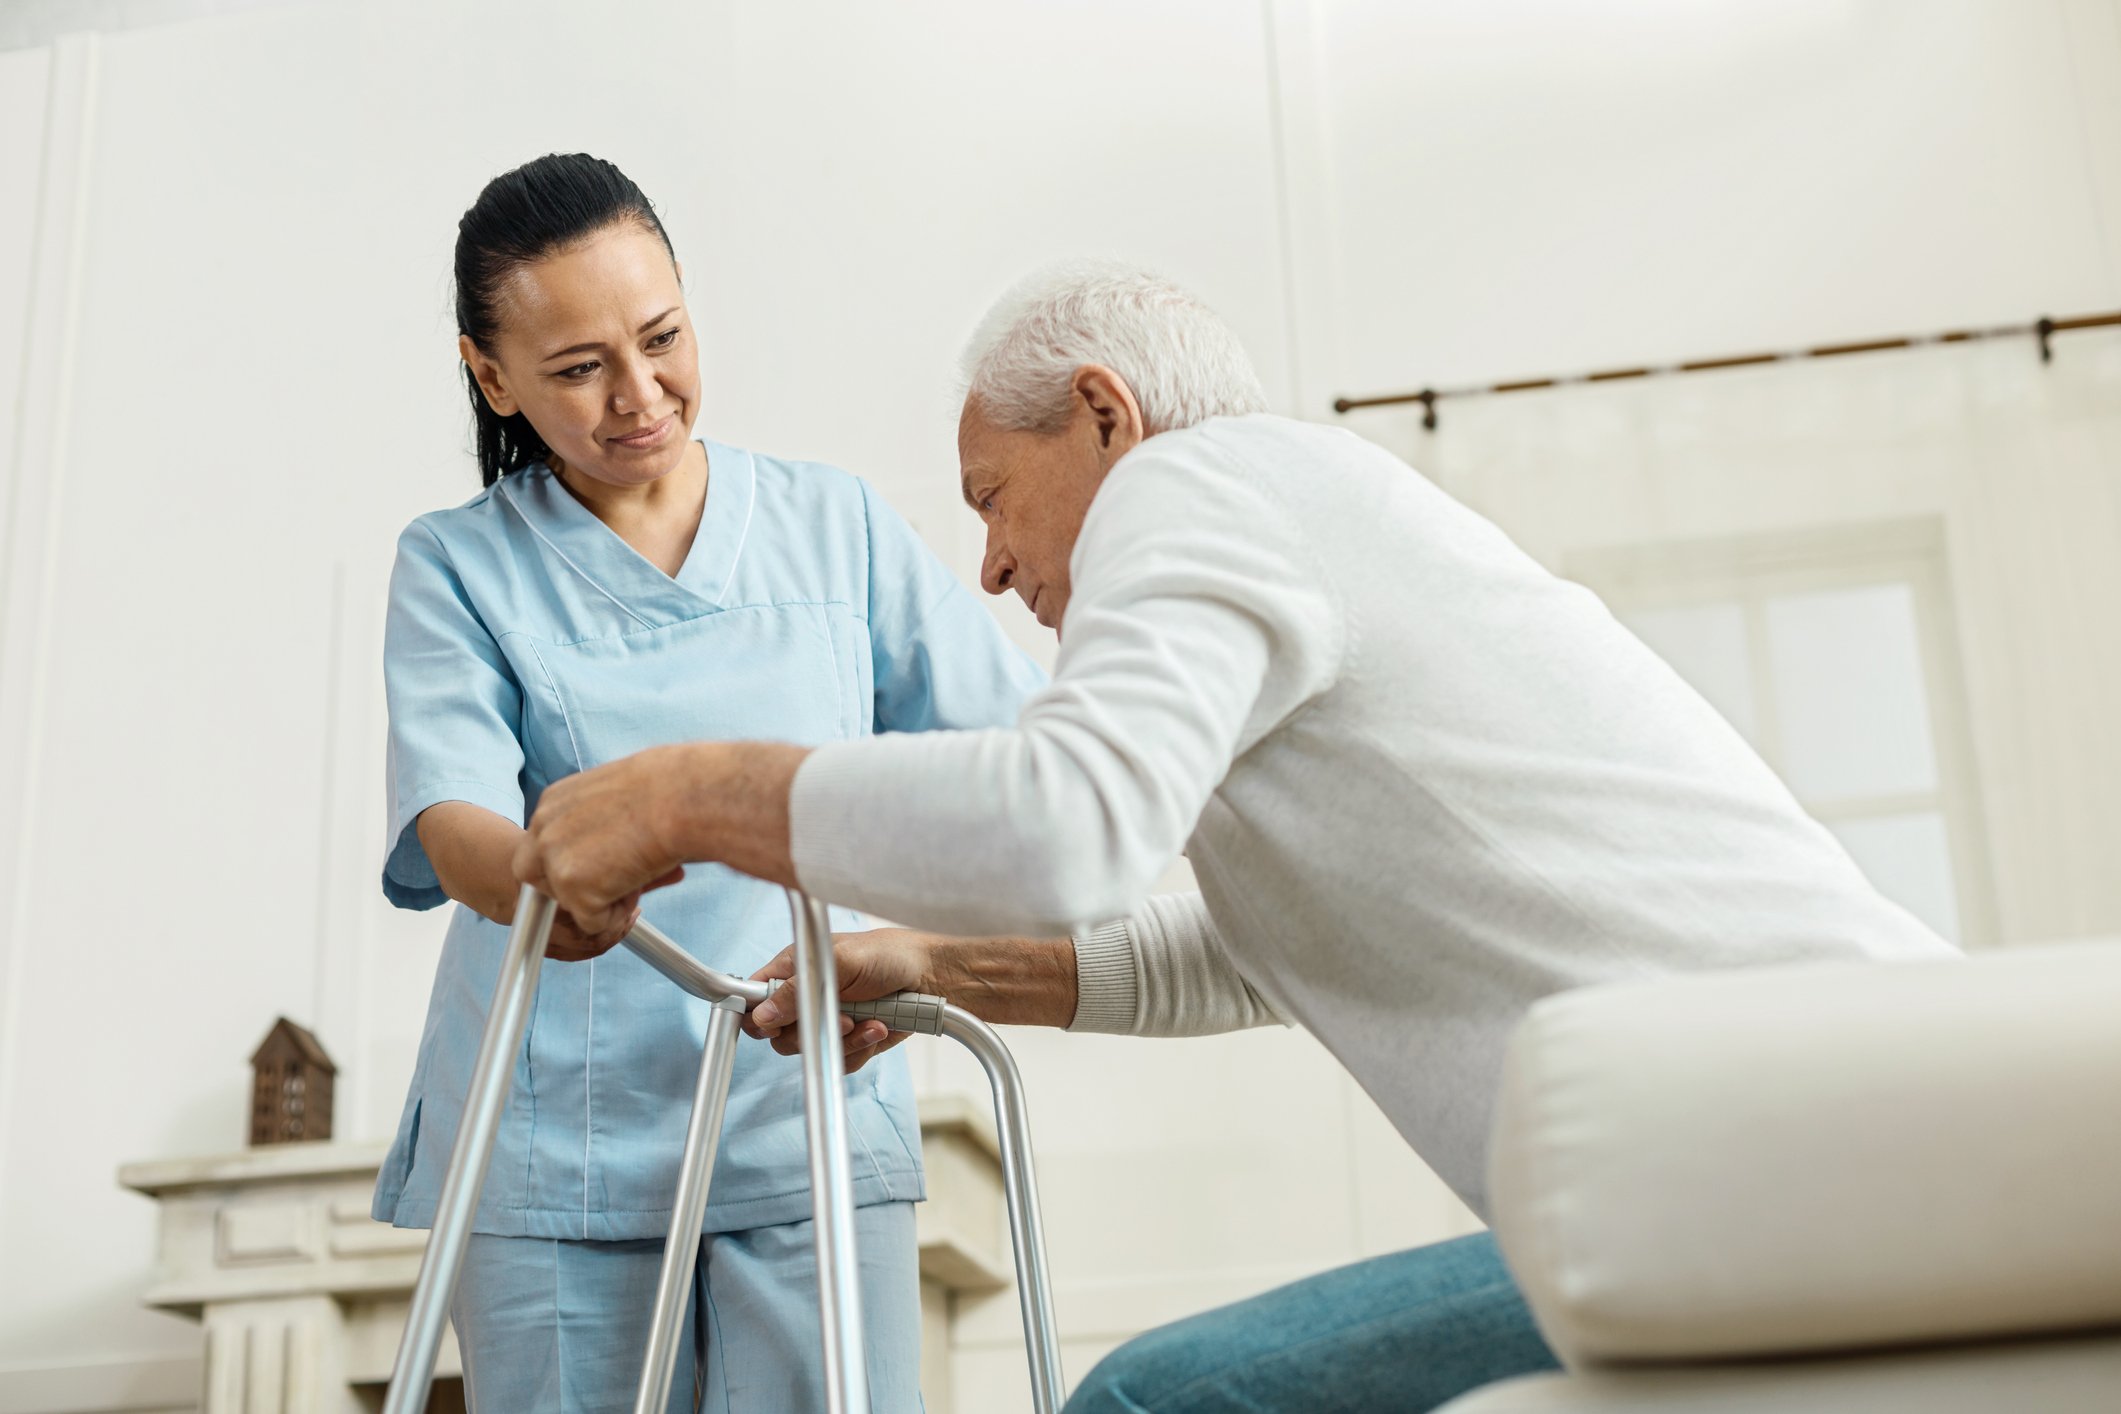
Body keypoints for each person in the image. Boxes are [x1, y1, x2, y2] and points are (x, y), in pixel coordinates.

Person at [512, 260, 1957, 1413]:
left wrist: (688, 794)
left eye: (992, 500)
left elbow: (1069, 822)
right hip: (1807, 1154)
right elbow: (1274, 945)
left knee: (1151, 1398)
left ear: (1103, 414)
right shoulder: (1310, 524)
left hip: (1776, 1172)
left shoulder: (1200, 486)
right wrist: (943, 961)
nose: (996, 563)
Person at [374, 152, 1042, 1413]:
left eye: (663, 337)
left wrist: (928, 949)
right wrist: (542, 875)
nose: (639, 395)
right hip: (550, 1145)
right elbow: (452, 816)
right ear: (489, 372)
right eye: (577, 369)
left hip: (808, 1115)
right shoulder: (457, 566)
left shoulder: (834, 528)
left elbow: (1029, 788)